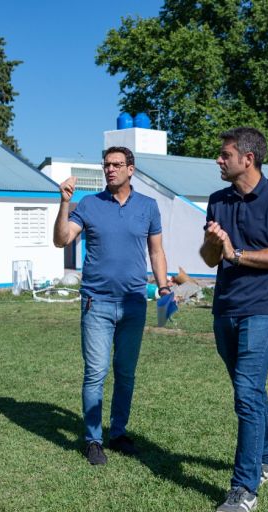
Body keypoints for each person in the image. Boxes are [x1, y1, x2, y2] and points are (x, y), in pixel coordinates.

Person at [199, 128, 268, 512]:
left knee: (246, 391)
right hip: (225, 308)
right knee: (250, 389)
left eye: (225, 155)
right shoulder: (217, 200)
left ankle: (244, 488)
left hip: (264, 308)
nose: (218, 160)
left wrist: (237, 254)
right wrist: (214, 242)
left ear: (248, 158)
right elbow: (211, 259)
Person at [54, 146, 170, 465]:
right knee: (95, 372)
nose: (110, 170)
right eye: (106, 165)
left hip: (134, 303)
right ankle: (93, 440)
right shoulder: (89, 205)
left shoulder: (148, 206)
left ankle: (118, 432)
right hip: (97, 303)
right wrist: (64, 203)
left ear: (131, 169)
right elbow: (62, 239)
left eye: (117, 165)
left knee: (126, 373)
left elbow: (156, 252)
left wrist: (162, 285)